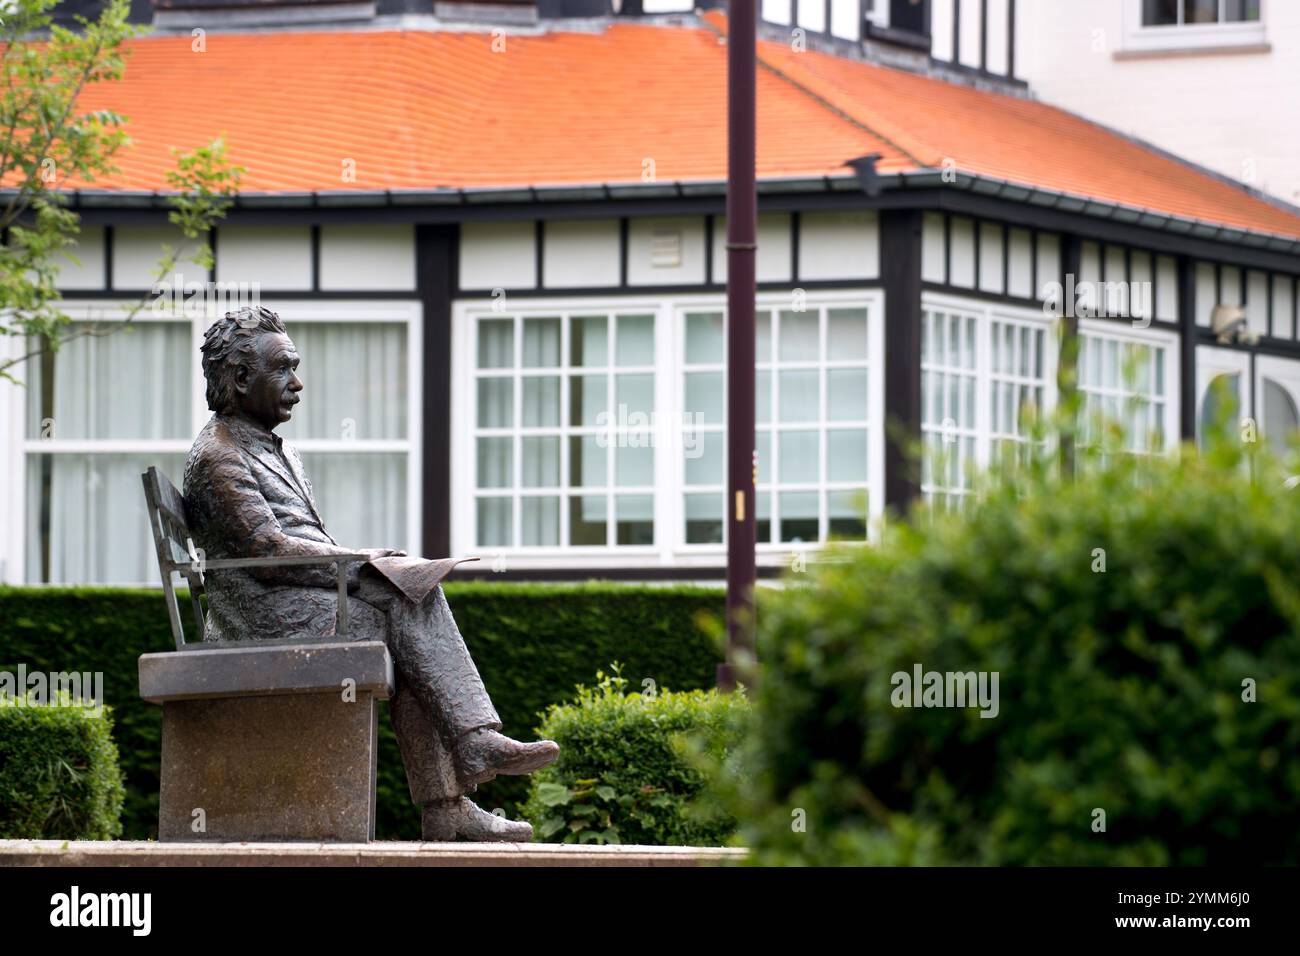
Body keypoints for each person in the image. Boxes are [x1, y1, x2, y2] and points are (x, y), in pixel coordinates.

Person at [183, 305, 557, 841]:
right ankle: (458, 777)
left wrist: (371, 565)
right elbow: (265, 552)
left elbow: (292, 543)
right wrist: (360, 564)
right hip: (261, 617)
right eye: (284, 369)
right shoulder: (218, 455)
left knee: (412, 593)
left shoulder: (266, 446)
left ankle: (462, 773)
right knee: (409, 606)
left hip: (292, 598)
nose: (298, 382)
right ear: (241, 379)